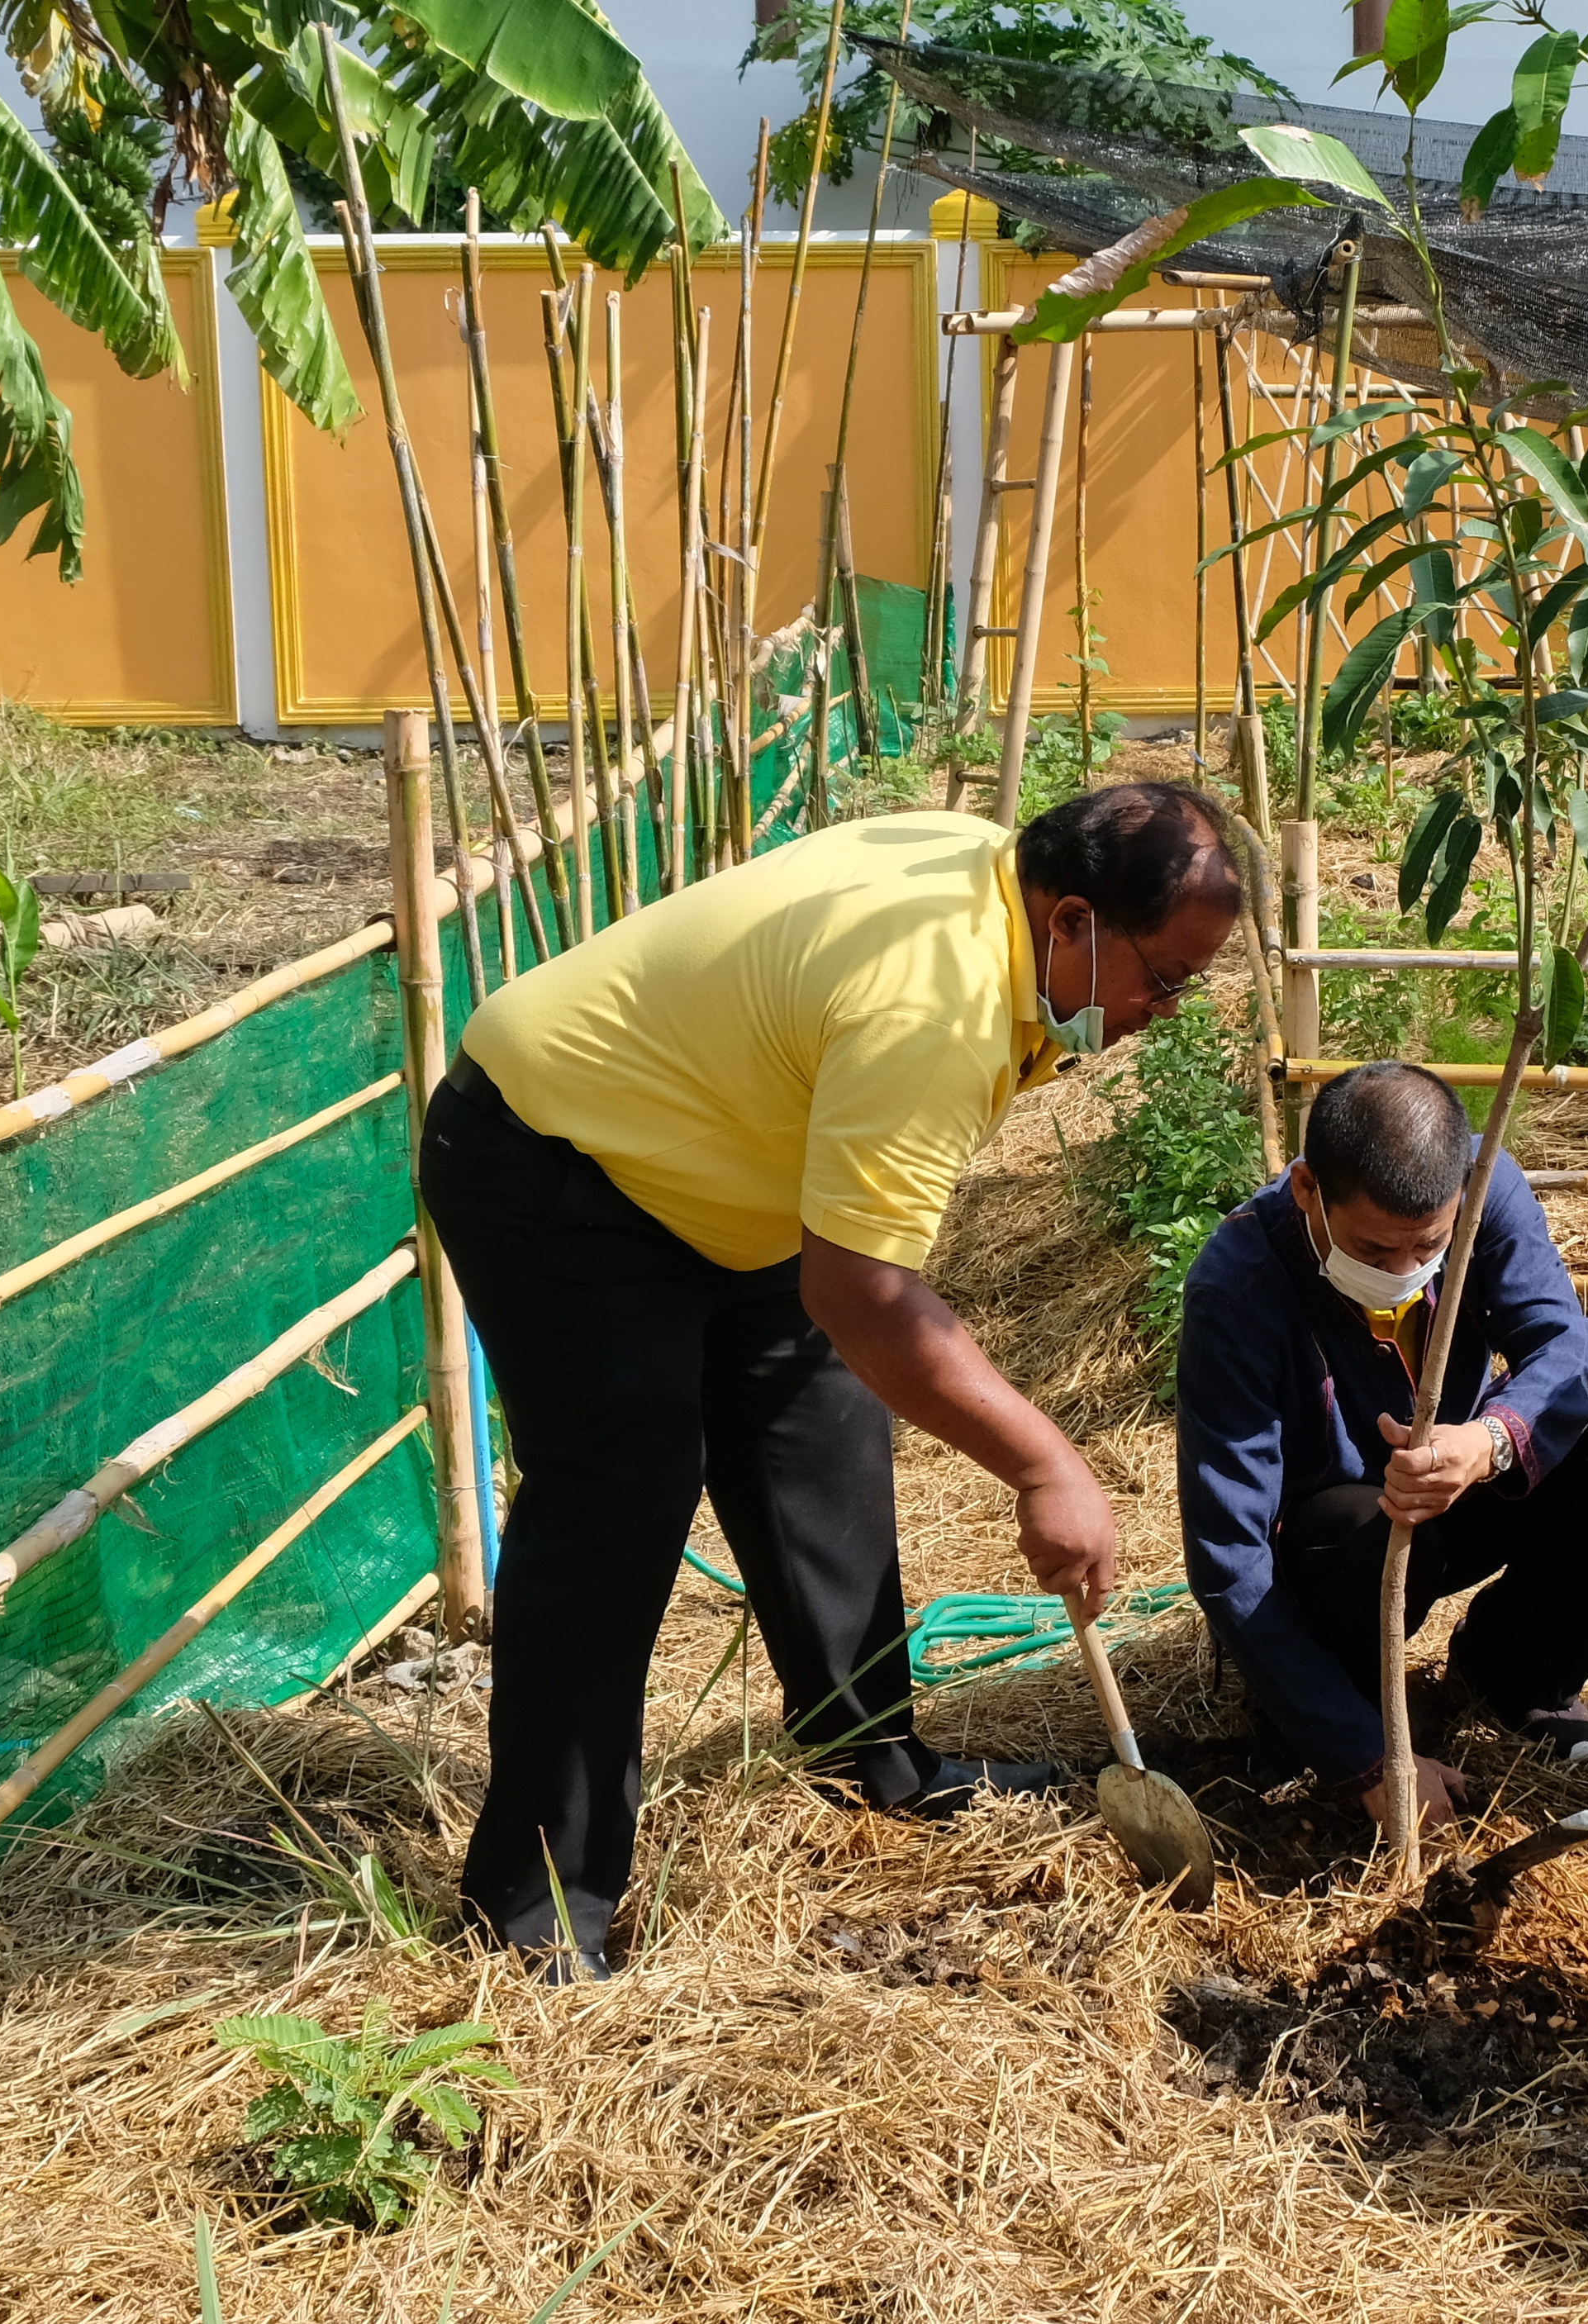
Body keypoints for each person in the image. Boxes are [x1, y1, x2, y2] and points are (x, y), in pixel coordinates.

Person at [424, 783, 1245, 1975]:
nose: (1158, 1014)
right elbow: (860, 1293)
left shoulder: (999, 896)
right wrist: (1045, 1465)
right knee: (620, 1495)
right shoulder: (936, 1004)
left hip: (727, 1170)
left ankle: (876, 1765)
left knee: (820, 1444)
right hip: (560, 1153)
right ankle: (535, 1912)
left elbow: (843, 1282)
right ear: (1072, 920)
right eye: (1160, 979)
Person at [1174, 1060, 1588, 1828]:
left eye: (1429, 1246)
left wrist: (1489, 1441)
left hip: (1459, 1485)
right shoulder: (1238, 1289)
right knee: (1355, 1526)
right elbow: (1230, 1556)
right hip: (1337, 1553)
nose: (1405, 1272)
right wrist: (1367, 1756)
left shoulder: (1486, 1188)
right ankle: (1338, 1703)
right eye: (1374, 1254)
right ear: (1306, 1189)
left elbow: (1566, 1346)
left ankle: (1516, 1667)